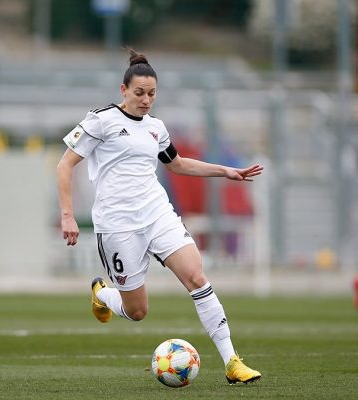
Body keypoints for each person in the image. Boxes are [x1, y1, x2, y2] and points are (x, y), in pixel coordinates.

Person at [56, 49, 263, 385]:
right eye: (139, 93)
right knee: (137, 311)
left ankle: (232, 362)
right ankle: (102, 293)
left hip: (157, 214)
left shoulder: (156, 128)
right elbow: (65, 165)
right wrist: (67, 215)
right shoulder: (100, 120)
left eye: (152, 94)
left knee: (197, 276)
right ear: (123, 90)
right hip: (117, 225)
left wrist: (226, 171)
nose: (146, 100)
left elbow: (176, 164)